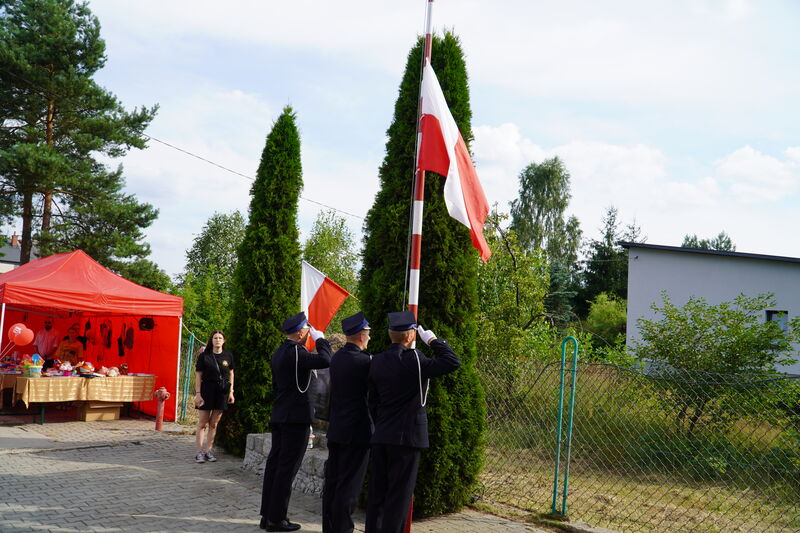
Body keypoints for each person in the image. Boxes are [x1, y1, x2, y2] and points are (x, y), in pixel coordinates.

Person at [365, 311, 461, 533]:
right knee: (399, 496)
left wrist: (381, 423)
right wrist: (434, 340)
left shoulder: (376, 360)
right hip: (407, 438)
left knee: (378, 492)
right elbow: (452, 361)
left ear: (391, 335)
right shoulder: (416, 359)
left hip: (382, 435)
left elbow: (372, 401)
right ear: (409, 337)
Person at [260, 312, 331, 532]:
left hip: (281, 414)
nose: (308, 334)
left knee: (274, 466)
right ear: (300, 332)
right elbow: (326, 359)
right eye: (307, 331)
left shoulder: (278, 352)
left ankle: (267, 515)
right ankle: (277, 519)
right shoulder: (297, 353)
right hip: (295, 419)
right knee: (286, 469)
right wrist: (321, 340)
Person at [322, 312, 373, 533]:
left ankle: (330, 527)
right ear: (361, 335)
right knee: (349, 486)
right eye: (368, 334)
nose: (370, 338)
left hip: (337, 429)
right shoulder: (364, 362)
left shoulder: (338, 358)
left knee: (333, 482)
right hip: (357, 433)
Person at [194, 330, 235, 463]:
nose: (217, 340)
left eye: (220, 338)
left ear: (224, 341)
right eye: (215, 338)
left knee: (213, 423)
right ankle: (199, 453)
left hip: (222, 392)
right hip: (206, 391)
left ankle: (208, 451)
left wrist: (231, 392)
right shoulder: (204, 356)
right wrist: (198, 394)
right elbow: (198, 375)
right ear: (211, 340)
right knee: (202, 423)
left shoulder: (228, 355)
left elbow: (231, 374)